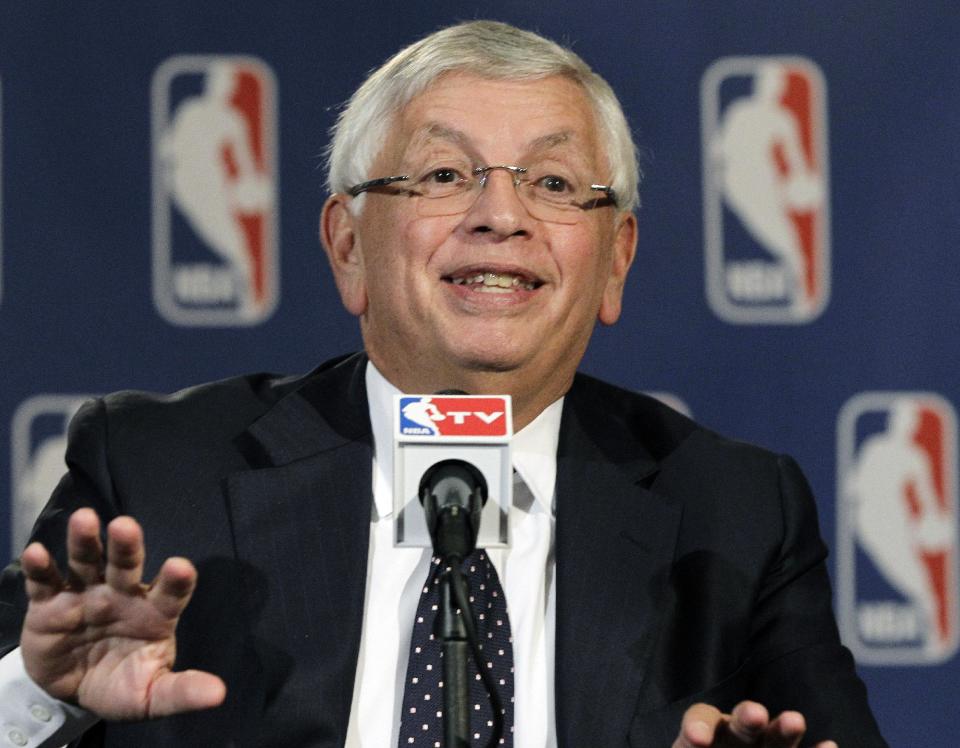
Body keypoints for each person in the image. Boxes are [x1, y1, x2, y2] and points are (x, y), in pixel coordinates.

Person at [0, 20, 885, 748]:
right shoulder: (156, 476)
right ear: (349, 246)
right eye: (443, 175)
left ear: (616, 260)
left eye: (552, 182)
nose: (501, 216)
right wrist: (39, 696)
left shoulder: (734, 513)